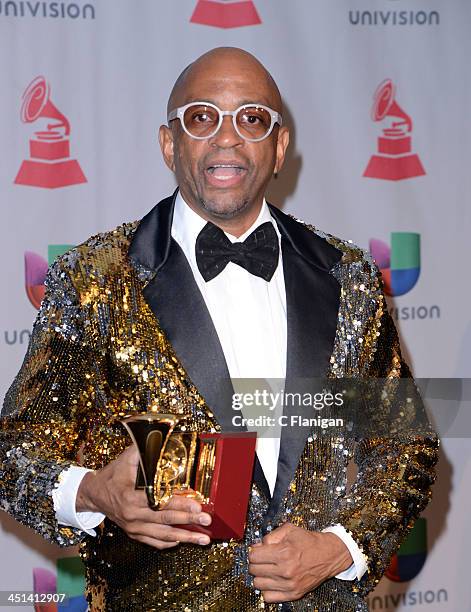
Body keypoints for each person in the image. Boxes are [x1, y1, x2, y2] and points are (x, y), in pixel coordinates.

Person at [0, 47, 438, 611]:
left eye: (251, 118)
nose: (227, 138)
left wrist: (338, 548)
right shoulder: (96, 278)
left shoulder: (348, 277)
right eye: (202, 117)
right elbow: (14, 448)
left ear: (279, 148)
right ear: (169, 143)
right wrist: (93, 492)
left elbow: (407, 444)